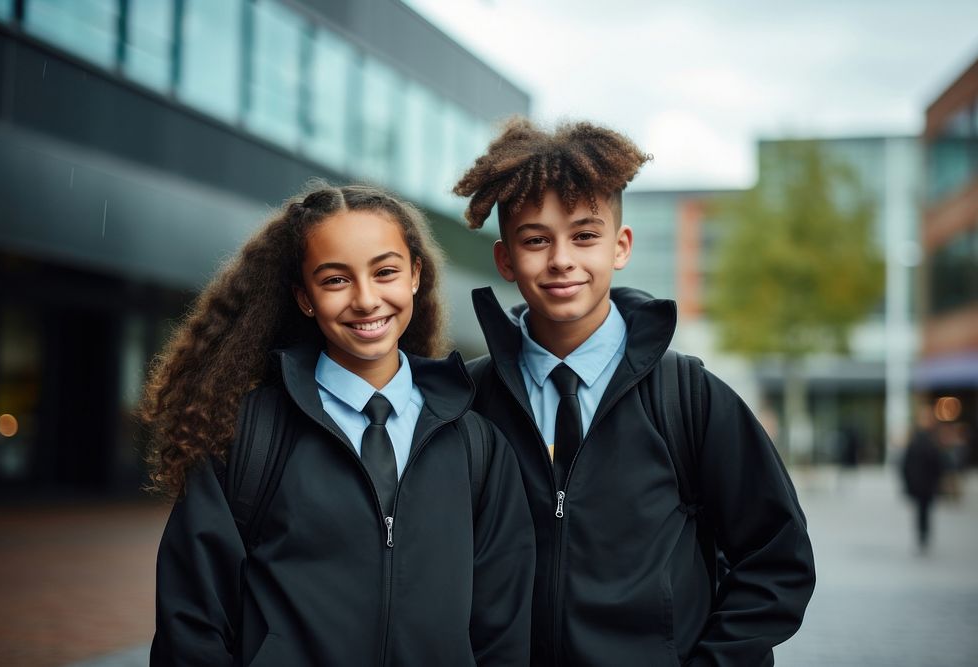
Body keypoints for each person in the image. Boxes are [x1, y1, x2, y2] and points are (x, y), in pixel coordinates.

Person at [453, 118, 816, 666]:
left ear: (620, 246)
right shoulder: (467, 400)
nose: (561, 259)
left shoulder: (687, 396)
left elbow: (777, 557)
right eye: (535, 240)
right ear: (505, 260)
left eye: (584, 235)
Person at [141, 183, 535, 666]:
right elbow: (192, 623)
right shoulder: (248, 436)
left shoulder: (479, 447)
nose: (366, 300)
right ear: (305, 297)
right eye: (335, 280)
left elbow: (503, 635)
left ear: (415, 275)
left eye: (385, 272)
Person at [902, 405, 944, 552]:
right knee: (922, 510)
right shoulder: (917, 439)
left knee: (925, 510)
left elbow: (937, 463)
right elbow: (906, 464)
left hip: (927, 483)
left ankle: (924, 534)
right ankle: (922, 534)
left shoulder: (932, 439)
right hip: (919, 482)